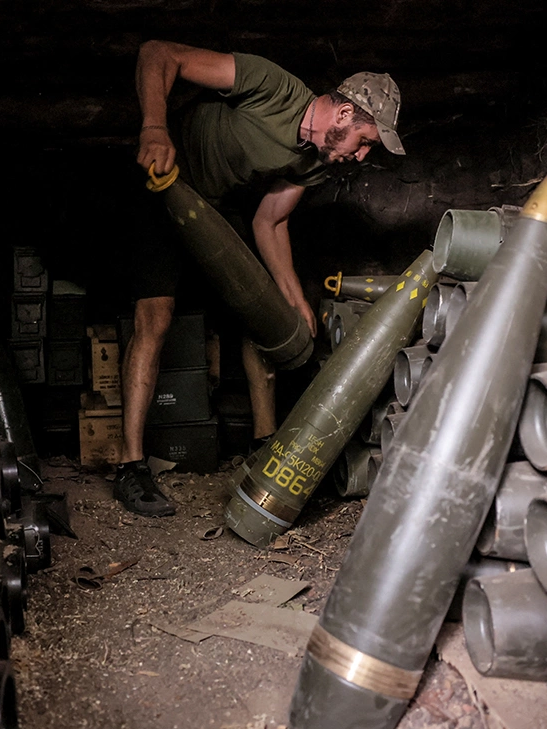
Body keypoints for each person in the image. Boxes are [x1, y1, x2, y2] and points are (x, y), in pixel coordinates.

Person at [114, 40, 405, 516]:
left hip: (215, 207)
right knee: (156, 317)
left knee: (263, 318)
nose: (362, 156)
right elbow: (157, 53)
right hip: (162, 184)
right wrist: (153, 128)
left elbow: (270, 221)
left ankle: (263, 443)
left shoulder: (317, 163)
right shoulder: (270, 85)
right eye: (366, 140)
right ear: (345, 114)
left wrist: (292, 297)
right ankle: (130, 466)